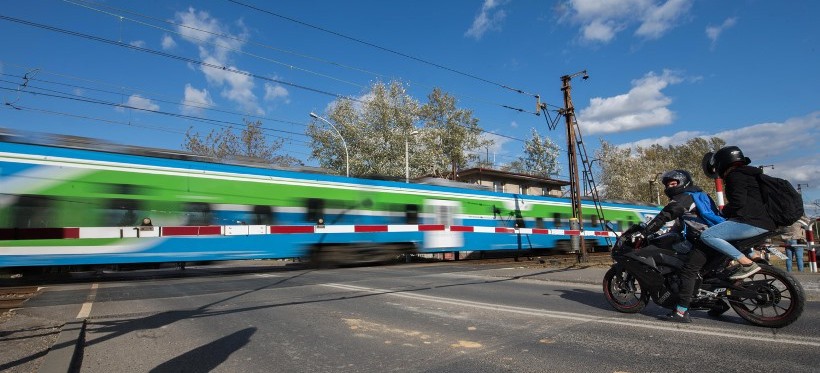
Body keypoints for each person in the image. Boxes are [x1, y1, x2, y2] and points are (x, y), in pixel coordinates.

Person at [637, 170, 725, 323]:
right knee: (704, 272)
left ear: (683, 182)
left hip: (707, 240)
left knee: (687, 272)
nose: (670, 186)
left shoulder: (684, 198)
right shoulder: (697, 194)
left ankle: (681, 312)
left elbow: (665, 215)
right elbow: (683, 222)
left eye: (673, 183)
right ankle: (718, 304)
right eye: (668, 184)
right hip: (713, 237)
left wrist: (645, 232)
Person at [699, 145, 776, 281]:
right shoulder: (752, 174)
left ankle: (747, 264)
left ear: (722, 163)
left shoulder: (735, 176)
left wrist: (723, 211)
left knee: (708, 235)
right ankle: (751, 259)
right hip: (766, 221)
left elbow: (738, 203)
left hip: (752, 222)